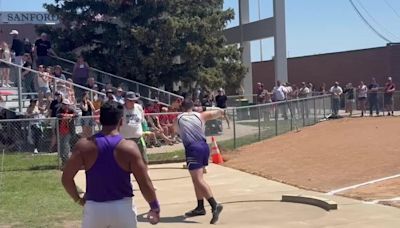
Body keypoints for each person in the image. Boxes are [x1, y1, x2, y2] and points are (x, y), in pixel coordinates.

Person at [61, 101, 160, 227]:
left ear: (100, 120)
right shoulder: (129, 147)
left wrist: (78, 199)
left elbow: (66, 178)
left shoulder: (84, 146)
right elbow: (144, 182)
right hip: (123, 207)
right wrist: (154, 207)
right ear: (121, 121)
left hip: (95, 208)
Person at [174, 99, 224, 224]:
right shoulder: (200, 115)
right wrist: (204, 109)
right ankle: (200, 207)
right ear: (194, 107)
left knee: (198, 179)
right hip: (203, 146)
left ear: (182, 107)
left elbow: (175, 130)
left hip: (193, 148)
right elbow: (220, 112)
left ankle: (214, 204)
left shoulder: (179, 118)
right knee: (196, 178)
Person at [119, 92, 148, 164]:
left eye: (134, 100)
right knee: (125, 160)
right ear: (125, 100)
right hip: (125, 139)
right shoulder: (120, 109)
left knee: (143, 158)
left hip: (138, 137)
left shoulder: (139, 107)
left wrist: (145, 130)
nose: (133, 102)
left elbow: (142, 120)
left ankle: (143, 173)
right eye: (130, 100)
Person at [57, 99, 77, 167]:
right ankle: (64, 162)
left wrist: (70, 115)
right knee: (61, 148)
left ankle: (67, 162)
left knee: (66, 146)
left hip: (68, 131)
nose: (64, 106)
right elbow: (58, 115)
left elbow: (76, 114)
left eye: (66, 105)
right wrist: (67, 116)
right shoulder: (59, 109)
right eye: (63, 104)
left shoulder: (71, 110)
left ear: (68, 105)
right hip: (60, 131)